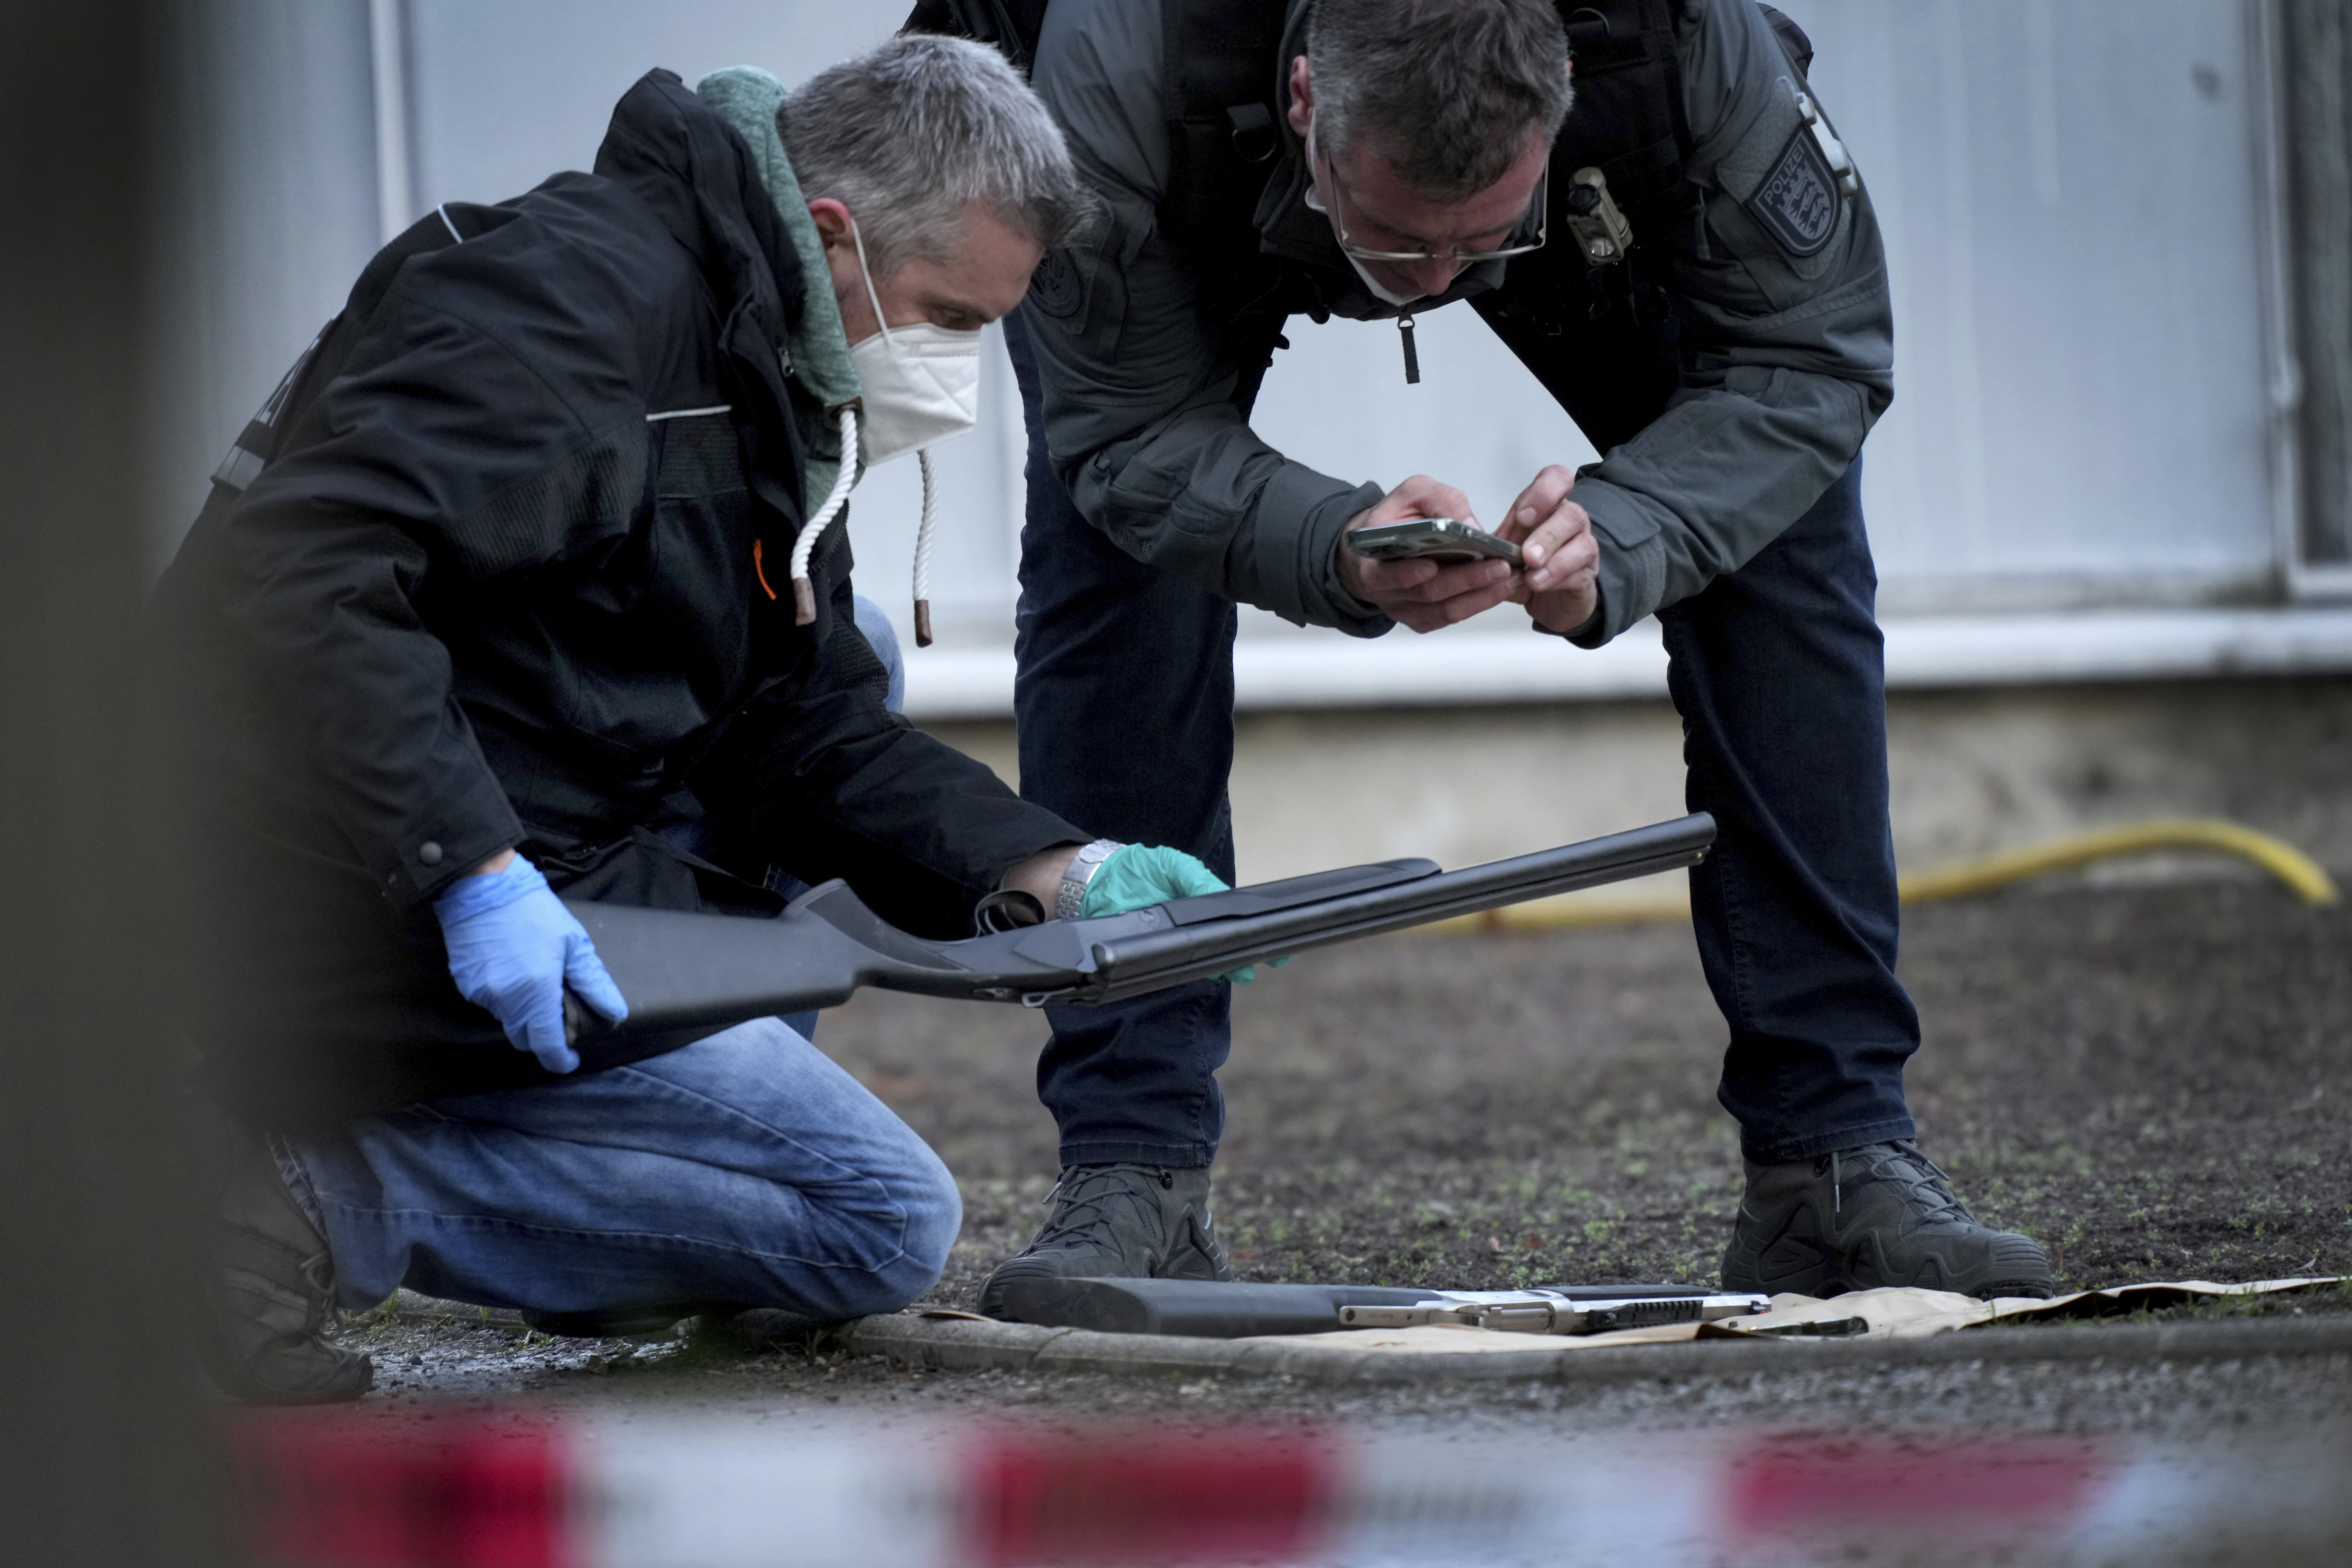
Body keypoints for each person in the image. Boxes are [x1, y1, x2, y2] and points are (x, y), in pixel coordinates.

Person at [160, 36, 1237, 1405]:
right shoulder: (561, 313)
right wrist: (473, 872)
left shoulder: (765, 352)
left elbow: (802, 721)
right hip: (322, 883)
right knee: (876, 1224)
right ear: (836, 238)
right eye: (952, 317)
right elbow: (301, 580)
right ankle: (278, 1183)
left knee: (840, 650)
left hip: (537, 827)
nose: (963, 367)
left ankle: (545, 1207)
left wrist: (1045, 872)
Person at [949, 0, 2056, 1310]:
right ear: (1307, 99)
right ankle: (1133, 1180)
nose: (1443, 281)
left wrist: (1631, 531)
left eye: (1486, 239)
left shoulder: (1685, 37)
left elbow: (1808, 360)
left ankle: (1835, 1165)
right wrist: (1327, 542)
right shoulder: (1120, 59)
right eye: (1400, 240)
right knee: (1111, 557)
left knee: (1780, 529)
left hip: (1538, 168)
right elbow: (1122, 430)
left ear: (1563, 96)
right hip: (1192, 164)